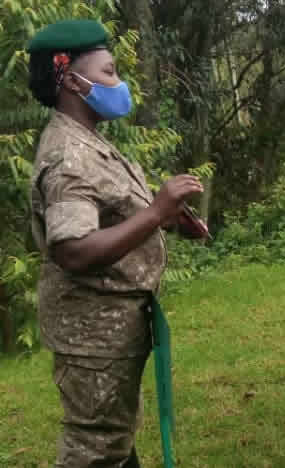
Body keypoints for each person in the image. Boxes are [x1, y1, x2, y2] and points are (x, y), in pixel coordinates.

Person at [27, 19, 205, 467]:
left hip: (110, 324)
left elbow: (113, 211)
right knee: (96, 445)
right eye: (109, 73)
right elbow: (73, 250)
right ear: (71, 81)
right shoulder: (69, 157)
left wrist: (166, 220)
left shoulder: (89, 140)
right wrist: (156, 211)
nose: (119, 84)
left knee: (113, 435)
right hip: (92, 332)